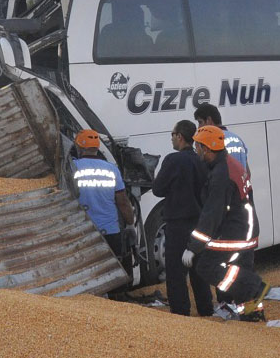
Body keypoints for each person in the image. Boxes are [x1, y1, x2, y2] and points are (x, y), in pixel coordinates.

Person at [182, 126, 269, 319]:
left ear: (207, 149)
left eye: (198, 147)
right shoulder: (229, 163)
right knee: (239, 270)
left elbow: (212, 213)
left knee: (206, 266)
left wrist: (193, 247)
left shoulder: (222, 175)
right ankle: (252, 314)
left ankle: (255, 286)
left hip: (237, 232)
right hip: (246, 227)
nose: (196, 150)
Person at [151, 120, 212, 316]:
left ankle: (180, 311)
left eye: (172, 134)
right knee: (198, 270)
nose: (171, 138)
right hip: (198, 223)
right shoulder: (201, 160)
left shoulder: (173, 160)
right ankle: (206, 308)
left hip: (177, 223)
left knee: (176, 272)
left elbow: (158, 189)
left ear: (180, 136)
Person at [72, 129, 136, 264]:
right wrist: (130, 224)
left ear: (79, 147)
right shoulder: (111, 169)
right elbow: (123, 202)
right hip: (110, 232)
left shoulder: (73, 168)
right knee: (113, 268)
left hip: (84, 231)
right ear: (97, 148)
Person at [194, 104, 248, 170]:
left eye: (200, 122)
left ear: (209, 120)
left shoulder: (212, 141)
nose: (199, 127)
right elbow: (247, 172)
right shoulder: (238, 139)